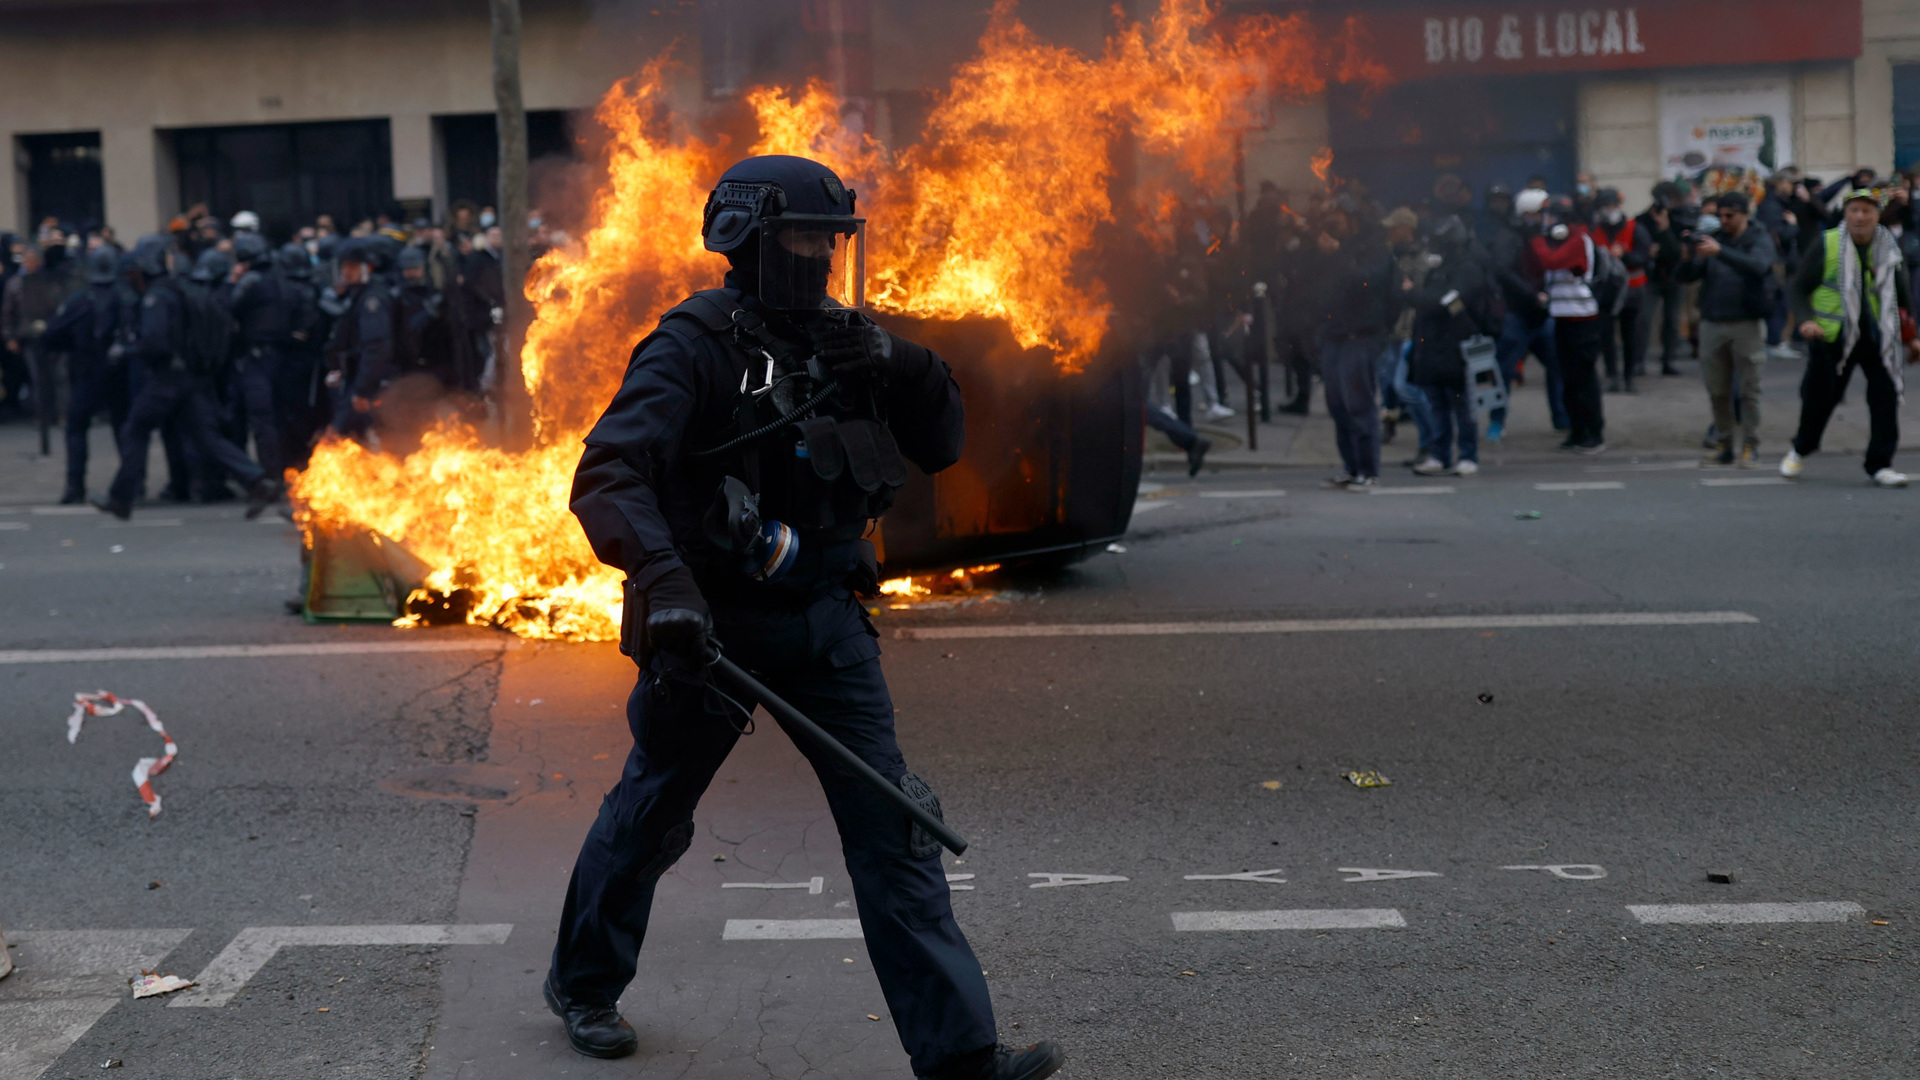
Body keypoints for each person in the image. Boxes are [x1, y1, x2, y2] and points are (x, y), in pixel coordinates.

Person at [548, 155, 1063, 1080]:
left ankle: (962, 1060)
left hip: (824, 618)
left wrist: (902, 362)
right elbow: (609, 472)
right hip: (712, 630)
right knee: (652, 811)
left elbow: (942, 445)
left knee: (893, 825)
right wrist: (665, 585)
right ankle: (583, 983)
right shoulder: (693, 344)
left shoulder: (848, 338)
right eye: (803, 237)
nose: (824, 256)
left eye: (833, 238)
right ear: (747, 239)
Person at [92, 235, 273, 520]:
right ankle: (257, 481)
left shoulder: (156, 297)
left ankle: (121, 497)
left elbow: (155, 341)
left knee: (135, 429)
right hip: (189, 378)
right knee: (206, 437)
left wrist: (126, 350)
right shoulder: (176, 290)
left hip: (167, 379)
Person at [1782, 189, 1919, 487]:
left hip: (1877, 336)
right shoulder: (1827, 243)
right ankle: (1801, 448)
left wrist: (1912, 338)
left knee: (1885, 398)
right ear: (1846, 213)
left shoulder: (1887, 246)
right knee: (1821, 399)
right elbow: (1798, 289)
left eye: (1867, 211)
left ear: (1877, 216)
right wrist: (1806, 322)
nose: (1860, 217)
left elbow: (1903, 294)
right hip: (1833, 336)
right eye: (1854, 210)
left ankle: (1880, 464)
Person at [1676, 191, 1777, 467]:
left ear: (1745, 214)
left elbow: (1759, 267)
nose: (1724, 221)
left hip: (1747, 322)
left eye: (1729, 216)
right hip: (1713, 322)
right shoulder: (1715, 239)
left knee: (1749, 390)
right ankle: (1724, 444)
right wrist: (1687, 256)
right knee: (1717, 390)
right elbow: (1686, 277)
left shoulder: (1758, 238)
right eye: (1719, 216)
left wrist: (1721, 252)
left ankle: (1750, 445)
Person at [1307, 195, 1391, 489]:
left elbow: (1362, 282)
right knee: (1337, 405)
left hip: (1361, 336)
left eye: (1339, 216)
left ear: (1352, 218)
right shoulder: (1330, 249)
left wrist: (1338, 253)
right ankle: (1351, 467)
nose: (1333, 223)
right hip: (1335, 335)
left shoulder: (1373, 248)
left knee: (1359, 404)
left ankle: (1369, 469)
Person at [1405, 215, 1493, 476]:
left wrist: (1415, 295)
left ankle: (1467, 455)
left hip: (1457, 348)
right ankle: (1440, 455)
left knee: (1461, 405)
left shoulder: (1468, 268)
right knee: (1437, 406)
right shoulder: (1440, 269)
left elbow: (1448, 303)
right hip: (1434, 347)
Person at [41, 247, 129, 501]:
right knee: (123, 426)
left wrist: (66, 346)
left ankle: (75, 485)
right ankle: (131, 483)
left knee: (77, 427)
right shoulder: (123, 295)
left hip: (86, 369)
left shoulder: (81, 298)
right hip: (117, 371)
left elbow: (53, 332)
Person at [1528, 194, 1606, 453]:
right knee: (1568, 379)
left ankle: (1594, 433)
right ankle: (1577, 429)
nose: (1546, 222)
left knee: (1584, 379)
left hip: (1583, 319)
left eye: (1550, 217)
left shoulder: (1578, 240)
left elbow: (1551, 261)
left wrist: (1536, 240)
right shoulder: (1557, 241)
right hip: (1562, 318)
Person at [1488, 189, 1562, 441]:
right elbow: (1502, 271)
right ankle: (1496, 423)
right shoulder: (1509, 237)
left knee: (1558, 367)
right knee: (1504, 371)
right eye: (1541, 213)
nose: (1546, 218)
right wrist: (1532, 295)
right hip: (1517, 314)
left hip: (1542, 315)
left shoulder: (1544, 235)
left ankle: (1561, 419)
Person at [224, 232, 287, 487]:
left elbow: (228, 306)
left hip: (256, 359)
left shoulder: (250, 281)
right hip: (280, 357)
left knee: (261, 419)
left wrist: (231, 282)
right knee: (277, 417)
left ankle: (269, 475)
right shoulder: (279, 278)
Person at [322, 239, 398, 441]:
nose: (346, 272)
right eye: (344, 266)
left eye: (352, 267)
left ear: (368, 268)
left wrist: (363, 389)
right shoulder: (357, 294)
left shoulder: (372, 298)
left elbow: (376, 346)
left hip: (371, 382)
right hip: (356, 378)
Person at [2, 243, 70, 436]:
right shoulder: (15, 283)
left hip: (53, 333)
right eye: (26, 260)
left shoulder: (50, 280)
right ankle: (42, 416)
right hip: (29, 335)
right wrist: (10, 336)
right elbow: (8, 313)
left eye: (32, 260)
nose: (28, 263)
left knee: (60, 376)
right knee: (38, 378)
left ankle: (62, 413)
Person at [1589, 189, 1651, 392]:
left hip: (1633, 290)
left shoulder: (1635, 228)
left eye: (1614, 205)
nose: (1611, 210)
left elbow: (1644, 258)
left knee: (1631, 334)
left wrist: (1623, 255)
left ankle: (1629, 376)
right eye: (1606, 206)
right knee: (1606, 335)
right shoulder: (1594, 231)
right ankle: (1612, 375)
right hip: (1606, 292)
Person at [1637, 183, 1687, 376]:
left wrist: (1665, 230)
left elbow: (1676, 253)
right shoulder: (1642, 220)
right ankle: (1637, 361)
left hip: (1674, 277)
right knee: (1643, 319)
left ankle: (1669, 360)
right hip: (1650, 277)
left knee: (1672, 321)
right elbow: (1642, 249)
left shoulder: (1679, 220)